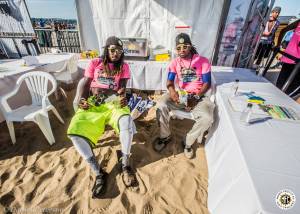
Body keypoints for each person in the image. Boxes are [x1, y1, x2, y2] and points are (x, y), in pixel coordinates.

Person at [67, 36, 137, 198]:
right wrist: (81, 99)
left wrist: (122, 95)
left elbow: (123, 87)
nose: (116, 53)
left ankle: (125, 163)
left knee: (126, 121)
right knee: (74, 131)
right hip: (95, 103)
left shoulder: (124, 66)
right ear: (106, 49)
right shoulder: (95, 63)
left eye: (119, 51)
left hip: (113, 103)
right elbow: (85, 82)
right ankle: (99, 172)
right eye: (113, 50)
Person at [154, 33, 215, 159]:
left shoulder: (203, 61)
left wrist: (196, 98)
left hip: (199, 96)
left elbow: (207, 83)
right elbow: (169, 82)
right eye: (178, 48)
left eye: (185, 47)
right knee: (161, 104)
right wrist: (172, 91)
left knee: (207, 118)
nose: (182, 50)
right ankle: (165, 136)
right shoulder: (175, 62)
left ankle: (188, 141)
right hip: (182, 95)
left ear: (190, 46)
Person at [276, 19, 300, 96]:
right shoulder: (298, 22)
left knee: (288, 88)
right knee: (284, 87)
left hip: (292, 58)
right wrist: (278, 46)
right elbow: (284, 30)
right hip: (291, 58)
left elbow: (283, 30)